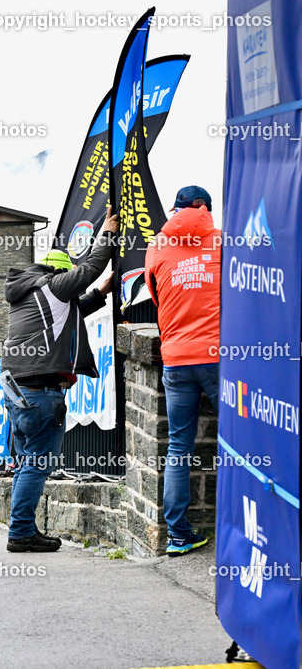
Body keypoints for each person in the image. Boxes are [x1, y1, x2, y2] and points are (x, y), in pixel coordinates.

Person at [0, 208, 118, 552]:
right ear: (58, 273)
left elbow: (69, 311)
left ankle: (21, 528)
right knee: (38, 464)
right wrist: (108, 233)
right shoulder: (53, 284)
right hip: (41, 392)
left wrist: (100, 294)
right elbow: (89, 269)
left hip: (16, 389)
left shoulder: (26, 292)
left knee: (27, 463)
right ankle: (20, 533)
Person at [144, 186, 221, 557]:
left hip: (175, 357)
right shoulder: (223, 242)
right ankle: (253, 525)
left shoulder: (157, 246)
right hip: (220, 354)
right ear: (203, 207)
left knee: (178, 447)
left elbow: (156, 297)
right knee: (243, 441)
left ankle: (177, 534)